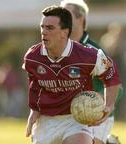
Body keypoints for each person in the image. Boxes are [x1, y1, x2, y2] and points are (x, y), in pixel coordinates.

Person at [22, 5, 121, 144]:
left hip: (75, 120)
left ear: (64, 32)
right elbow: (35, 84)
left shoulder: (88, 55)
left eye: (50, 28)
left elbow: (112, 74)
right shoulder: (32, 57)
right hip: (46, 122)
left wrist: (108, 106)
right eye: (42, 27)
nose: (43, 32)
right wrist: (34, 110)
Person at [60, 1, 123, 144]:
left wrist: (97, 100)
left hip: (95, 114)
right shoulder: (56, 49)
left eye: (66, 15)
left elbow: (117, 88)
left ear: (80, 19)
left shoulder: (94, 52)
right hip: (68, 115)